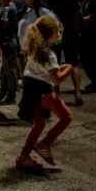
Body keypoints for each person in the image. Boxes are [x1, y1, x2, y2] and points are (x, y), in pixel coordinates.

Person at [16, 17, 74, 170]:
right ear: (49, 33)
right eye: (56, 31)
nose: (59, 33)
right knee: (66, 116)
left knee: (39, 123)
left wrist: (58, 68)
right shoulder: (49, 54)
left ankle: (24, 156)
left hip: (31, 90)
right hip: (44, 92)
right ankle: (44, 144)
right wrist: (69, 68)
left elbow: (42, 70)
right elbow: (56, 79)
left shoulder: (34, 50)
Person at [47, 0, 84, 107]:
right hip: (71, 31)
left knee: (54, 63)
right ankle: (78, 93)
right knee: (73, 62)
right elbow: (78, 15)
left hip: (55, 33)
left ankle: (56, 96)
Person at [0, 0, 20, 105]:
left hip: (8, 42)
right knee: (4, 71)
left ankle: (11, 95)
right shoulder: (3, 7)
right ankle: (3, 93)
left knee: (9, 71)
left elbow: (5, 26)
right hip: (4, 42)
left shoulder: (9, 9)